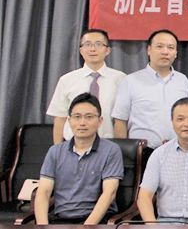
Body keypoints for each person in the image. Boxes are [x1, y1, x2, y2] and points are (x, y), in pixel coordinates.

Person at [35, 93, 123, 225]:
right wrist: (43, 226)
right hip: (61, 219)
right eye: (77, 117)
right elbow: (43, 192)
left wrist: (86, 227)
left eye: (89, 117)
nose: (82, 123)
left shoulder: (111, 150)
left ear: (100, 121)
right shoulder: (55, 151)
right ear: (69, 120)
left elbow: (109, 193)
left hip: (97, 221)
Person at [113, 29, 188, 148]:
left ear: (176, 53)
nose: (165, 52)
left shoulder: (182, 80)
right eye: (159, 46)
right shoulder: (130, 81)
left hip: (179, 150)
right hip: (143, 151)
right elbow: (120, 120)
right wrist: (123, 153)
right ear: (149, 50)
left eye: (170, 48)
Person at [47, 29, 126, 143]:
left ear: (107, 50)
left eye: (98, 44)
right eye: (88, 44)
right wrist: (58, 149)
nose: (93, 49)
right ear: (81, 50)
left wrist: (120, 149)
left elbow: (121, 119)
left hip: (108, 144)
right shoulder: (67, 80)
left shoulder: (121, 79)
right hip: (73, 144)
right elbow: (60, 118)